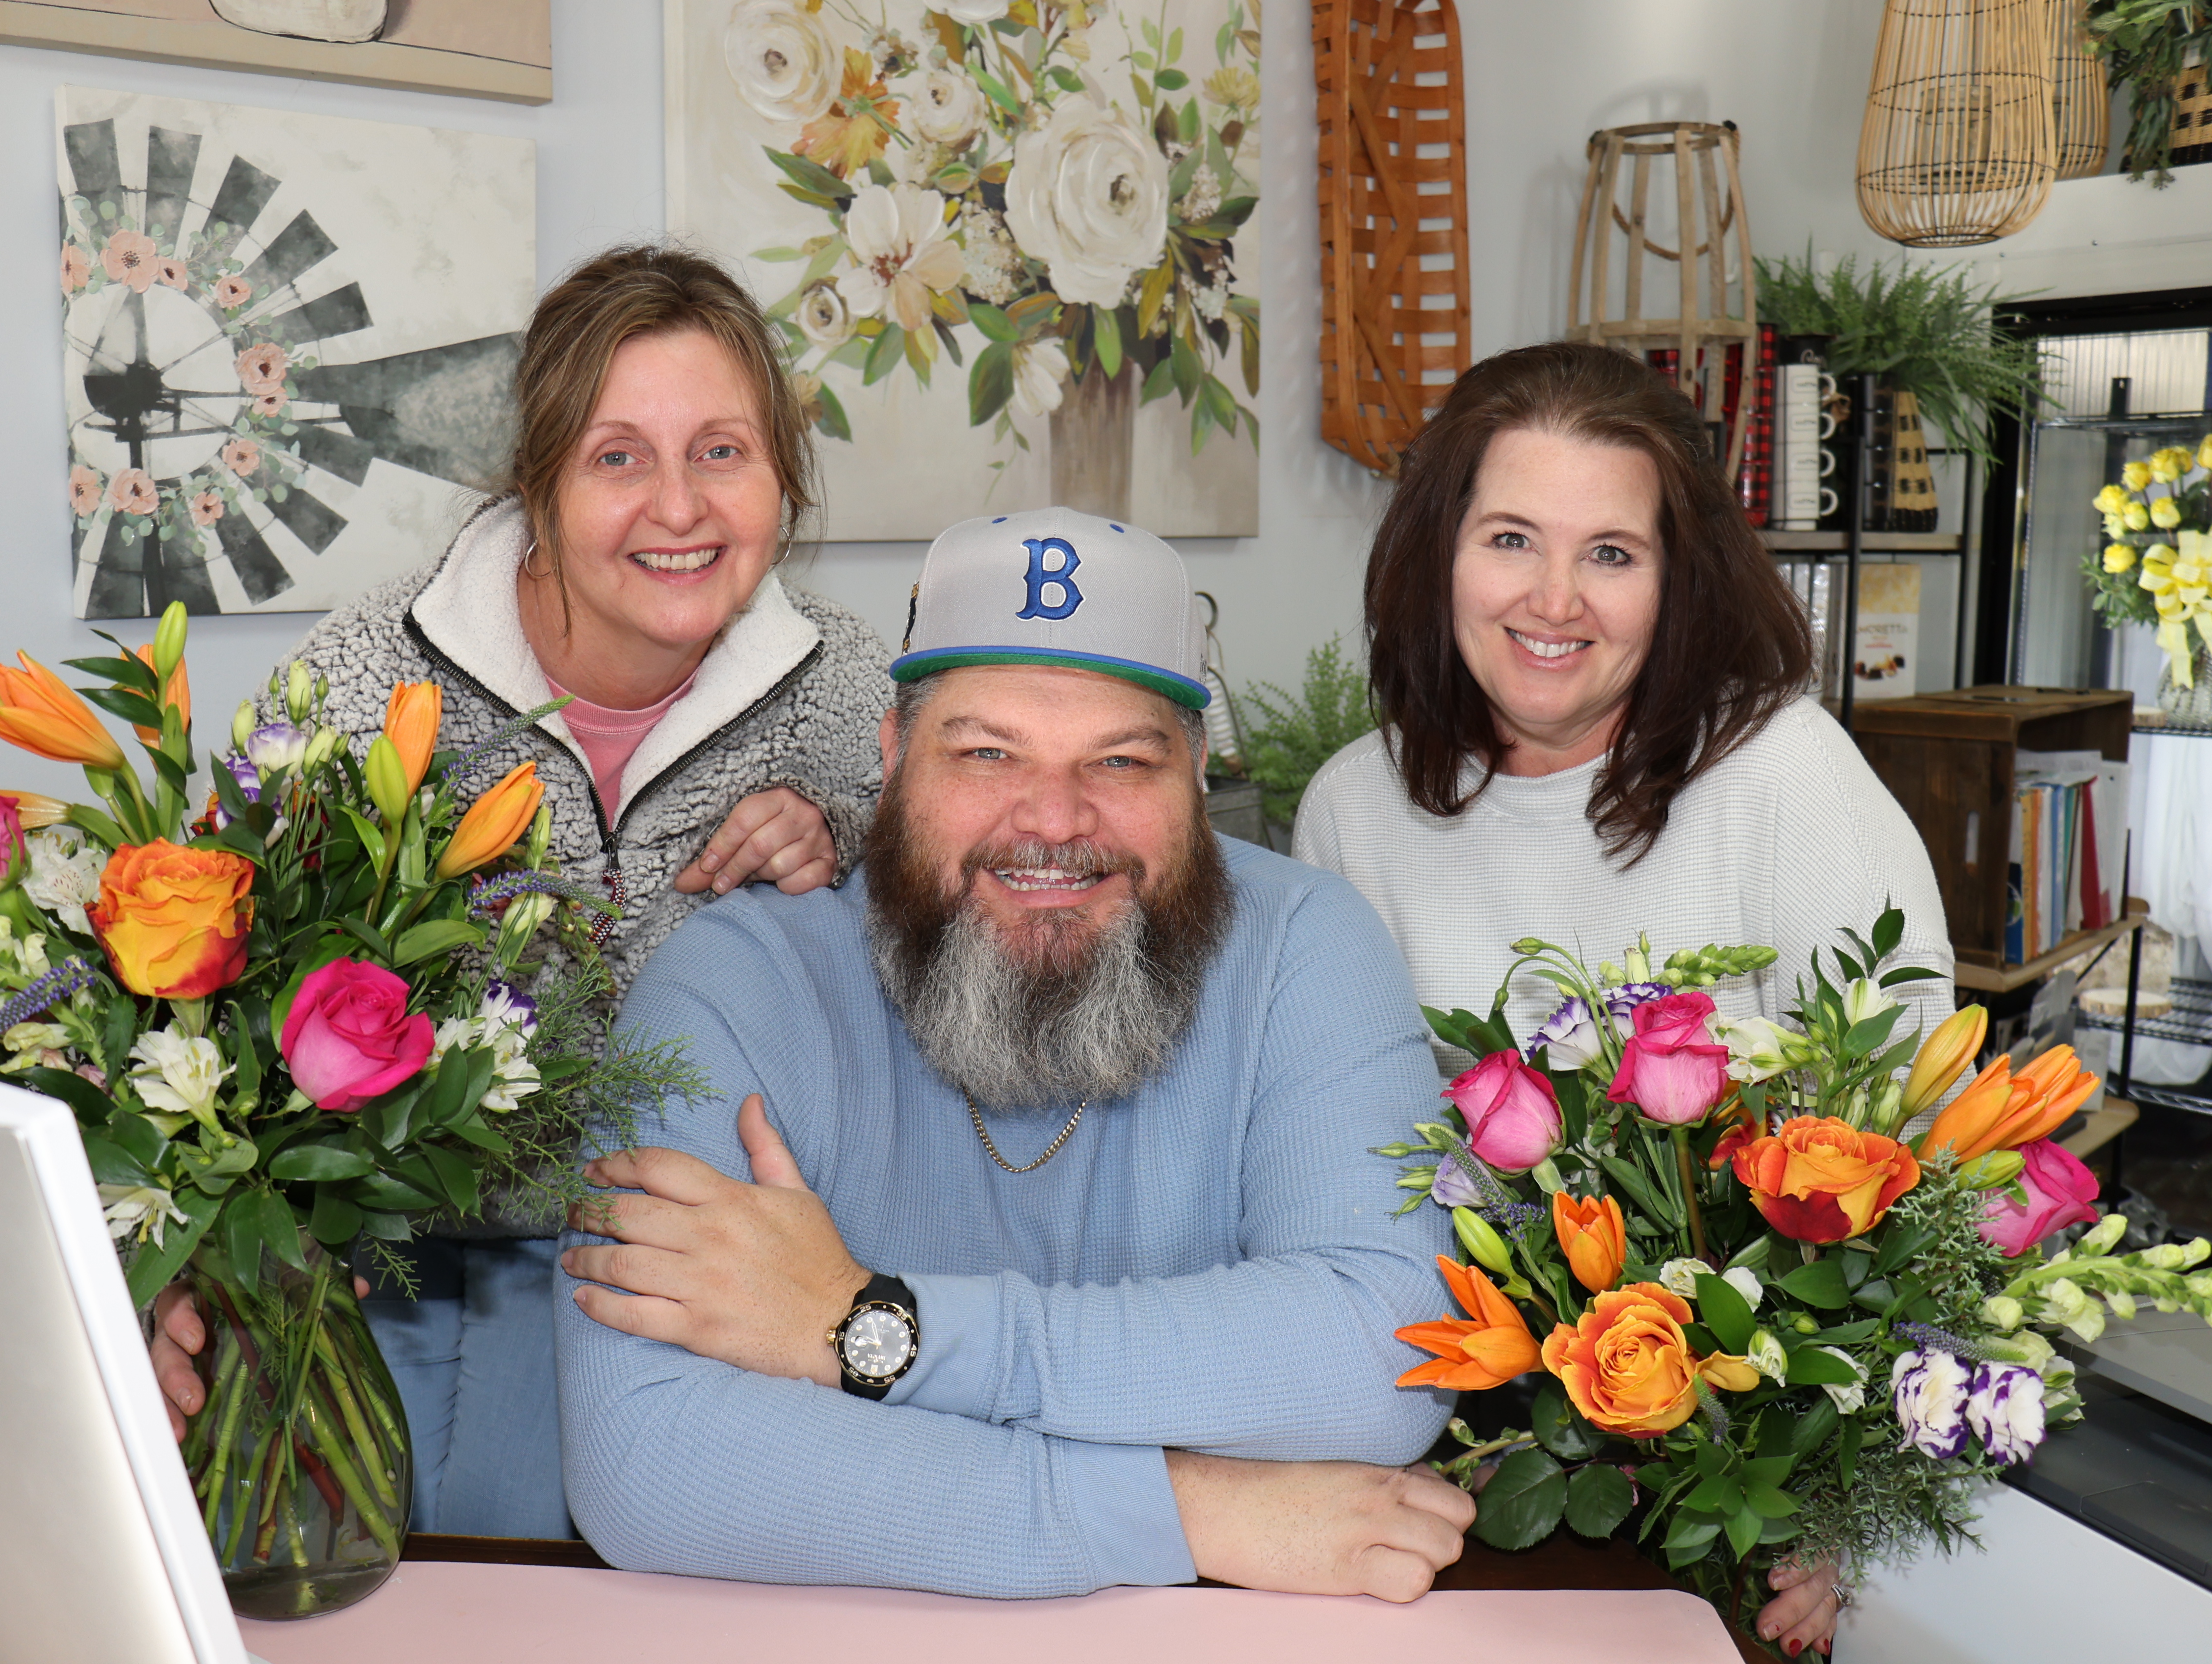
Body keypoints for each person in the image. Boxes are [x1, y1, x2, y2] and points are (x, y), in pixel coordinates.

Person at [551, 507, 1475, 1598]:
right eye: (987, 752)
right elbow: (647, 1456)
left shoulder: (1305, 944)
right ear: (893, 757)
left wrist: (861, 1326)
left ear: (1197, 769)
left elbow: (1393, 1353)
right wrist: (1188, 1507)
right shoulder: (737, 981)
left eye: (1121, 759)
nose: (1050, 818)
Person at [149, 243, 890, 1541]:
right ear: (539, 485)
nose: (680, 508)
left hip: (717, 1263)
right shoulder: (374, 683)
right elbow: (209, 983)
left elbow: (965, 910)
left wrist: (849, 840)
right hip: (400, 1262)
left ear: (784, 477)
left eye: (723, 451)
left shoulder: (851, 696)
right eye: (618, 458)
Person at [1292, 340, 1948, 1655]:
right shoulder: (1353, 808)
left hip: (1734, 1467)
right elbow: (1332, 1170)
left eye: (1611, 553)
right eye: (1511, 538)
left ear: (1678, 578)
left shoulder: (1781, 781)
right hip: (1450, 1447)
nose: (1555, 599)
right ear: (1437, 554)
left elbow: (1928, 1157)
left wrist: (1831, 1491)